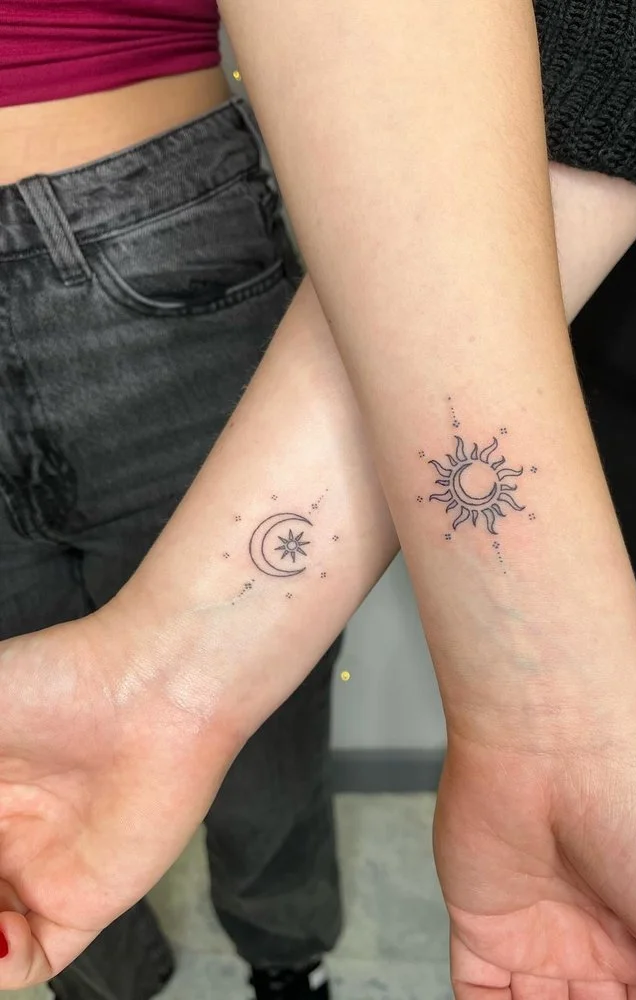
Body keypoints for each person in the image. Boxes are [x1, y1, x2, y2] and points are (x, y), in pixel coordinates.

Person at [0, 3, 636, 999]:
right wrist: (551, 713)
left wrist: (550, 712)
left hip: (154, 205)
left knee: (267, 770)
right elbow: (625, 53)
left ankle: (283, 956)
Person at [0, 16, 342, 1000]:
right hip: (155, 221)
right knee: (22, 782)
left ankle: (286, 956)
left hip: (145, 222)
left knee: (253, 722)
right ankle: (97, 979)